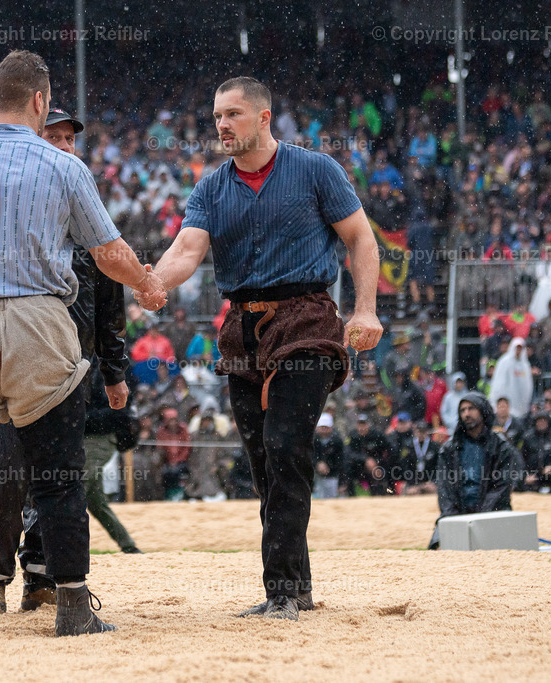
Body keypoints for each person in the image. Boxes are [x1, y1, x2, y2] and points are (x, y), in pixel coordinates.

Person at [0, 51, 165, 637]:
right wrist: (147, 283)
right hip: (38, 326)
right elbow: (109, 254)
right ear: (41, 102)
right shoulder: (62, 166)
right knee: (59, 473)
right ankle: (71, 604)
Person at [140, 76, 382, 620]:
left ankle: (281, 592)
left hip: (307, 320)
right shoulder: (211, 186)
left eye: (233, 114)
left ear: (264, 117)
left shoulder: (316, 169)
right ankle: (295, 588)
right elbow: (186, 249)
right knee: (264, 466)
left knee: (285, 448)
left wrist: (365, 309)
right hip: (243, 327)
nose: (222, 125)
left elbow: (361, 239)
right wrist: (157, 280)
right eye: (217, 117)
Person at [0, 105, 141, 617]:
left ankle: (41, 575)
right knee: (6, 464)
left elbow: (110, 306)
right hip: (14, 354)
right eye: (55, 137)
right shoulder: (8, 214)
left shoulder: (89, 211)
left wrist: (115, 373)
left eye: (70, 139)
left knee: (59, 472)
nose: (65, 146)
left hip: (75, 365)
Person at [430, 392, 521, 548]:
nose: (466, 413)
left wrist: (479, 518)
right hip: (457, 514)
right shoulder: (449, 449)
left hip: (493, 514)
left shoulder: (501, 447)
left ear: (483, 410)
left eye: (471, 408)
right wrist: (455, 518)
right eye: (462, 410)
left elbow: (501, 487)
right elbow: (445, 490)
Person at [489, 338, 534, 419]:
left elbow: (528, 384)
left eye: (520, 348)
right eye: (517, 348)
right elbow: (499, 382)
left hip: (520, 402)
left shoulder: (525, 364)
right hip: (507, 397)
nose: (518, 350)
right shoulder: (504, 361)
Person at [311, 412, 343, 499]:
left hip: (332, 475)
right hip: (315, 476)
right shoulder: (313, 440)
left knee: (331, 498)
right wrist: (317, 464)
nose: (324, 430)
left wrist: (328, 466)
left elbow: (341, 460)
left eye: (326, 427)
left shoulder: (337, 441)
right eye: (322, 427)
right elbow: (310, 455)